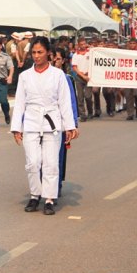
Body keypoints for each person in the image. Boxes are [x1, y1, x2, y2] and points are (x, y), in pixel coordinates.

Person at [10, 37, 78, 216]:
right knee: (32, 162)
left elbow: (64, 102)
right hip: (31, 121)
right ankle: (35, 194)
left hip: (52, 122)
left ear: (48, 53)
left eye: (40, 52)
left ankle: (49, 198)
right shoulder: (25, 76)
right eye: (33, 53)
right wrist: (16, 127)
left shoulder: (58, 75)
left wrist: (70, 126)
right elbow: (20, 104)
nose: (36, 56)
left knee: (51, 162)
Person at [51, 47, 78, 199]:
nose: (55, 61)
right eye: (53, 58)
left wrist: (72, 124)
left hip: (60, 124)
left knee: (58, 156)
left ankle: (57, 185)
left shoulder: (66, 78)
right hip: (41, 125)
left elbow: (71, 102)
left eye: (58, 59)